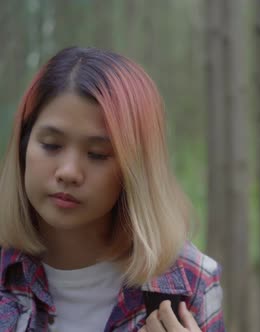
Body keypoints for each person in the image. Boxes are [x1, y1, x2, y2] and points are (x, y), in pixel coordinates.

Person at [0, 47, 225, 332]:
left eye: (97, 153)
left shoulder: (190, 283)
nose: (68, 172)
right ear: (23, 146)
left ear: (136, 170)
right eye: (51, 145)